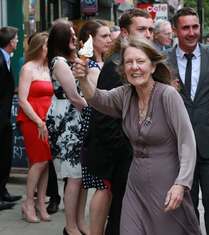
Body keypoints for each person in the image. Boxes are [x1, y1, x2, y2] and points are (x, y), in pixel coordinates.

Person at [74, 36, 202, 235]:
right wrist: (82, 79)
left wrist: (181, 183)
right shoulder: (125, 94)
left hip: (166, 182)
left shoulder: (168, 95)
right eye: (129, 62)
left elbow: (187, 142)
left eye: (140, 61)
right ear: (123, 69)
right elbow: (97, 99)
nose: (135, 67)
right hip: (135, 184)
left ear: (152, 66)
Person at [80, 8, 154, 235]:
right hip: (122, 159)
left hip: (132, 157)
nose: (148, 34)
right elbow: (104, 117)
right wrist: (130, 153)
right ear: (124, 33)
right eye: (142, 29)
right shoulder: (116, 65)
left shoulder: (137, 61)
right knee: (122, 218)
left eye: (151, 29)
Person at [167, 7, 209, 235]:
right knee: (186, 204)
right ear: (176, 30)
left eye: (195, 27)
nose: (191, 32)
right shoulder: (163, 61)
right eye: (185, 27)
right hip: (177, 144)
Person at [46, 19, 89, 235]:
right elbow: (73, 96)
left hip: (79, 119)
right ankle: (70, 227)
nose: (75, 37)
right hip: (68, 121)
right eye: (70, 34)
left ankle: (80, 222)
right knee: (73, 175)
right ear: (62, 38)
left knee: (81, 176)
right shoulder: (59, 62)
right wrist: (94, 110)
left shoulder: (76, 59)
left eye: (75, 33)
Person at [77, 20, 112, 235]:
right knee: (102, 186)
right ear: (91, 39)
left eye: (110, 35)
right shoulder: (88, 66)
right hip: (98, 127)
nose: (109, 40)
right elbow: (95, 99)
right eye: (104, 36)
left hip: (108, 125)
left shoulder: (105, 63)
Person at [17, 32, 52, 223]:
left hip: (48, 120)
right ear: (39, 47)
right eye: (47, 45)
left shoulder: (49, 68)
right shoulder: (27, 68)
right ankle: (28, 203)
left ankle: (40, 204)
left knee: (46, 162)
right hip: (33, 120)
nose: (50, 49)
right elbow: (22, 100)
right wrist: (39, 121)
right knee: (39, 161)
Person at [0, 26, 22, 211]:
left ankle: (3, 191)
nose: (17, 42)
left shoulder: (6, 58)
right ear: (9, 42)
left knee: (5, 155)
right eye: (16, 39)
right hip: (1, 117)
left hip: (4, 117)